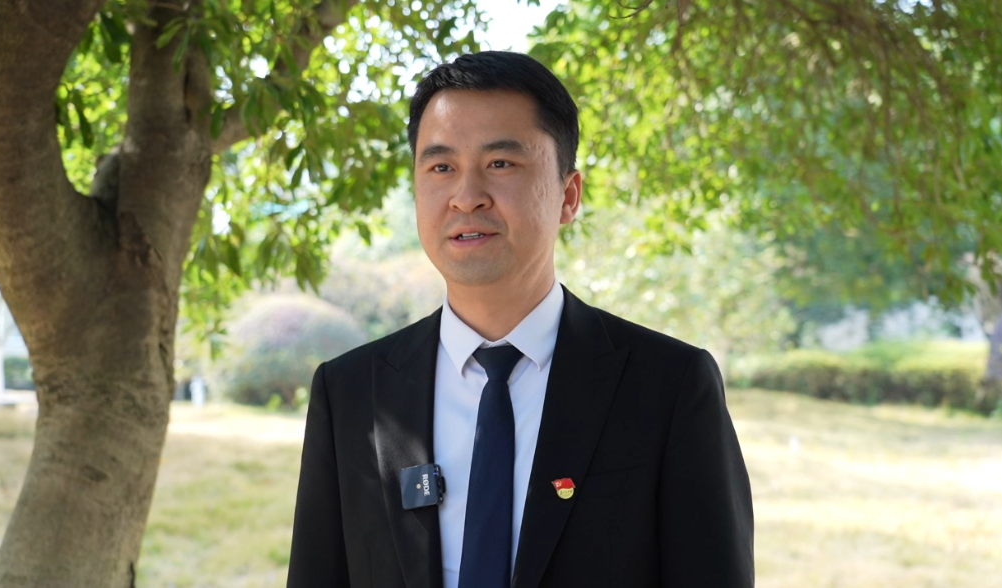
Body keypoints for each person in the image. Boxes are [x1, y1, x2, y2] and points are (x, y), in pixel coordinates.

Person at [287, 51, 754, 588]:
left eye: (500, 164)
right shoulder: (350, 393)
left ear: (568, 196)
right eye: (441, 167)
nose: (466, 198)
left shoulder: (669, 386)